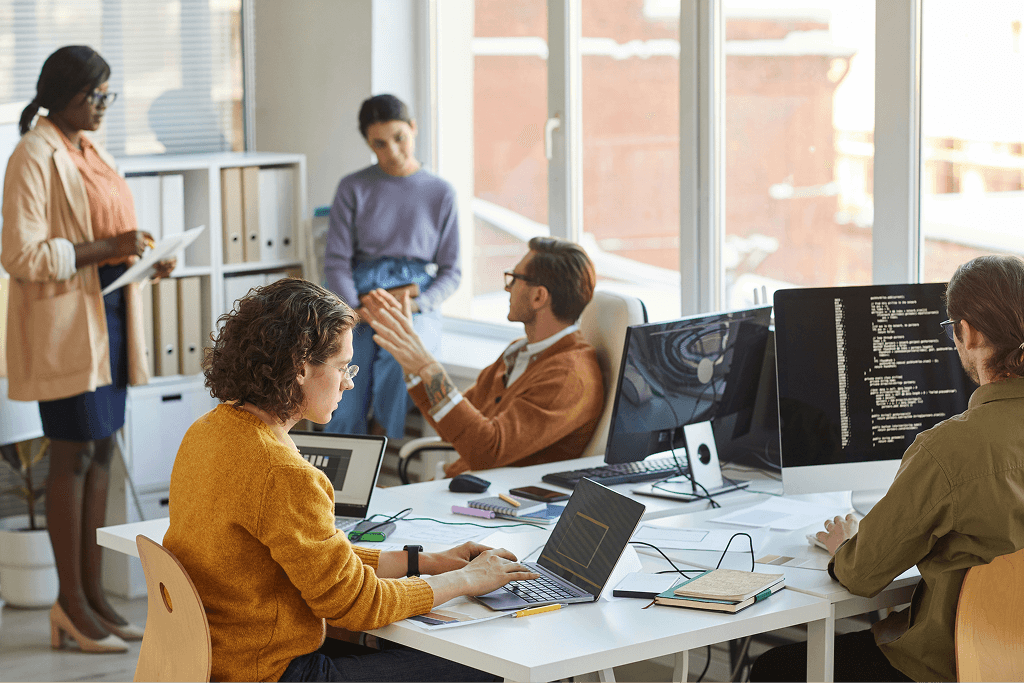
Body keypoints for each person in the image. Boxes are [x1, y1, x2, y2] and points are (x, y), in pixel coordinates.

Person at [163, 278, 537, 683]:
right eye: (342, 367)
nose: (349, 382)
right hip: (270, 673)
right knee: (486, 664)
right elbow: (359, 605)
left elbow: (315, 563)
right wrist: (467, 579)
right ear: (301, 367)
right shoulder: (282, 472)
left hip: (212, 661)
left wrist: (424, 562)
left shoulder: (207, 430)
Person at [750, 254, 1024, 683]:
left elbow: (863, 575)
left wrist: (846, 545)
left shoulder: (950, 449)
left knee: (772, 669)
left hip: (957, 664)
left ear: (966, 333)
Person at [1, 45, 175, 653]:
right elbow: (19, 255)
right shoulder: (33, 154)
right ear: (61, 96)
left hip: (111, 314)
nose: (103, 106)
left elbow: (106, 233)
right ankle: (70, 604)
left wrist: (142, 255)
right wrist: (109, 249)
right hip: (67, 325)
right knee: (71, 457)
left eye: (108, 95)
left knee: (102, 453)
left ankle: (95, 597)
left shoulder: (88, 147)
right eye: (94, 96)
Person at [363, 236, 605, 478]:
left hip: (494, 502)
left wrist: (427, 367)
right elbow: (452, 429)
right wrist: (411, 365)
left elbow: (487, 451)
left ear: (539, 297)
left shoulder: (567, 377)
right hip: (459, 486)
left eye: (514, 279)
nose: (507, 288)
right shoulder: (519, 353)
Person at [323, 93, 460, 441]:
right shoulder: (352, 187)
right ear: (369, 144)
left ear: (413, 129)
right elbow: (337, 260)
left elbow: (451, 270)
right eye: (380, 144)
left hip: (414, 295)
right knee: (339, 374)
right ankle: (344, 465)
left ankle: (379, 442)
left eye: (400, 138)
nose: (393, 151)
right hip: (359, 293)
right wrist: (355, 309)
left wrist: (416, 305)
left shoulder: (441, 192)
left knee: (400, 366)